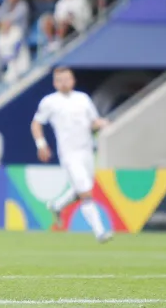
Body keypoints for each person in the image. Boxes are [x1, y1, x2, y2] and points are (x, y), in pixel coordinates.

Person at [30, 66, 113, 243]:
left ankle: (57, 206)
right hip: (69, 154)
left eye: (67, 79)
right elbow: (36, 124)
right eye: (60, 80)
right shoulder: (50, 102)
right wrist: (41, 144)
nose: (64, 82)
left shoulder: (83, 99)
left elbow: (92, 122)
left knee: (82, 189)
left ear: (73, 80)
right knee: (85, 190)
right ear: (54, 83)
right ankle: (100, 232)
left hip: (87, 151)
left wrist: (102, 123)